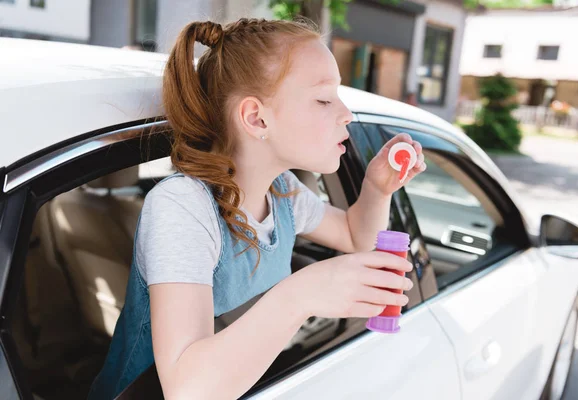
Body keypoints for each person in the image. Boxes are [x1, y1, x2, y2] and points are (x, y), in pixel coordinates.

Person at [88, 18, 426, 400]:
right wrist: (303, 294)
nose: (346, 112)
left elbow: (354, 236)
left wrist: (377, 188)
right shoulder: (183, 207)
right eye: (324, 99)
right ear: (256, 118)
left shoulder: (282, 192)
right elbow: (187, 390)